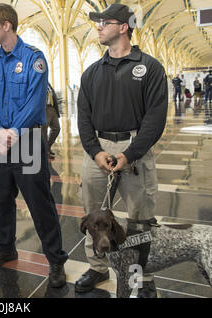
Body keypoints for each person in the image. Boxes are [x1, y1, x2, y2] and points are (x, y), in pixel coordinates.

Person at [77, 4, 168, 297]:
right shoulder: (91, 73)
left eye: (104, 22)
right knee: (93, 214)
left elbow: (155, 119)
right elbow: (83, 117)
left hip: (135, 148)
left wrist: (129, 154)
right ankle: (97, 267)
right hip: (98, 149)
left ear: (124, 27)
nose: (98, 27)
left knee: (139, 219)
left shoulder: (150, 68)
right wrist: (95, 151)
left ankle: (139, 276)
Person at [0, 3, 68, 288]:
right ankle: (5, 247)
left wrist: (11, 133)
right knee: (2, 200)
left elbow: (34, 103)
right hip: (0, 141)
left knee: (40, 203)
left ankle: (55, 260)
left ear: (7, 25)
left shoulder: (34, 59)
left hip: (27, 140)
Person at [42, 83, 60, 159]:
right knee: (44, 131)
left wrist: (57, 111)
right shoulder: (39, 83)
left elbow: (54, 97)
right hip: (44, 109)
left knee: (56, 128)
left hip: (52, 108)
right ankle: (46, 152)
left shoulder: (48, 84)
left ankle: (48, 147)